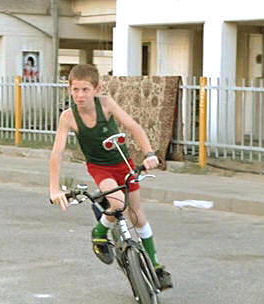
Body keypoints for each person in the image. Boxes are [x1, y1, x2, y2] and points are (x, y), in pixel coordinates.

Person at [48, 64, 173, 289]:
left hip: (123, 164)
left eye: (85, 89)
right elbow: (57, 153)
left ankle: (155, 264)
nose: (80, 95)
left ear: (97, 89)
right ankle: (100, 231)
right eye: (75, 89)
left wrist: (150, 154)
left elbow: (134, 127)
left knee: (137, 216)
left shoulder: (105, 105)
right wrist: (54, 188)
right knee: (117, 203)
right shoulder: (68, 117)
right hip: (100, 168)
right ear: (69, 89)